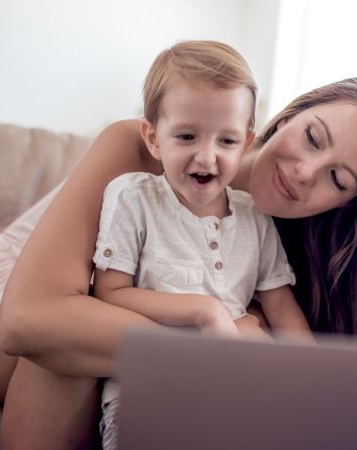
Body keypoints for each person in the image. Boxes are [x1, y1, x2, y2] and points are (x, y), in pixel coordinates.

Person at [0, 65, 357, 448]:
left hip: (99, 345)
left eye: (337, 179)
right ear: (289, 115)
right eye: (312, 138)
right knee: (79, 326)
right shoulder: (141, 148)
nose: (303, 173)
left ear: (346, 205)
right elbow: (28, 323)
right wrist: (214, 324)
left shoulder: (272, 236)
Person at [88, 41, 315, 450]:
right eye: (187, 136)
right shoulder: (133, 197)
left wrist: (317, 378)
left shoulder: (255, 217)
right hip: (148, 393)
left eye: (226, 141)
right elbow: (109, 293)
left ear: (246, 144)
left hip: (236, 392)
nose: (207, 157)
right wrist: (204, 311)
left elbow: (281, 307)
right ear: (154, 138)